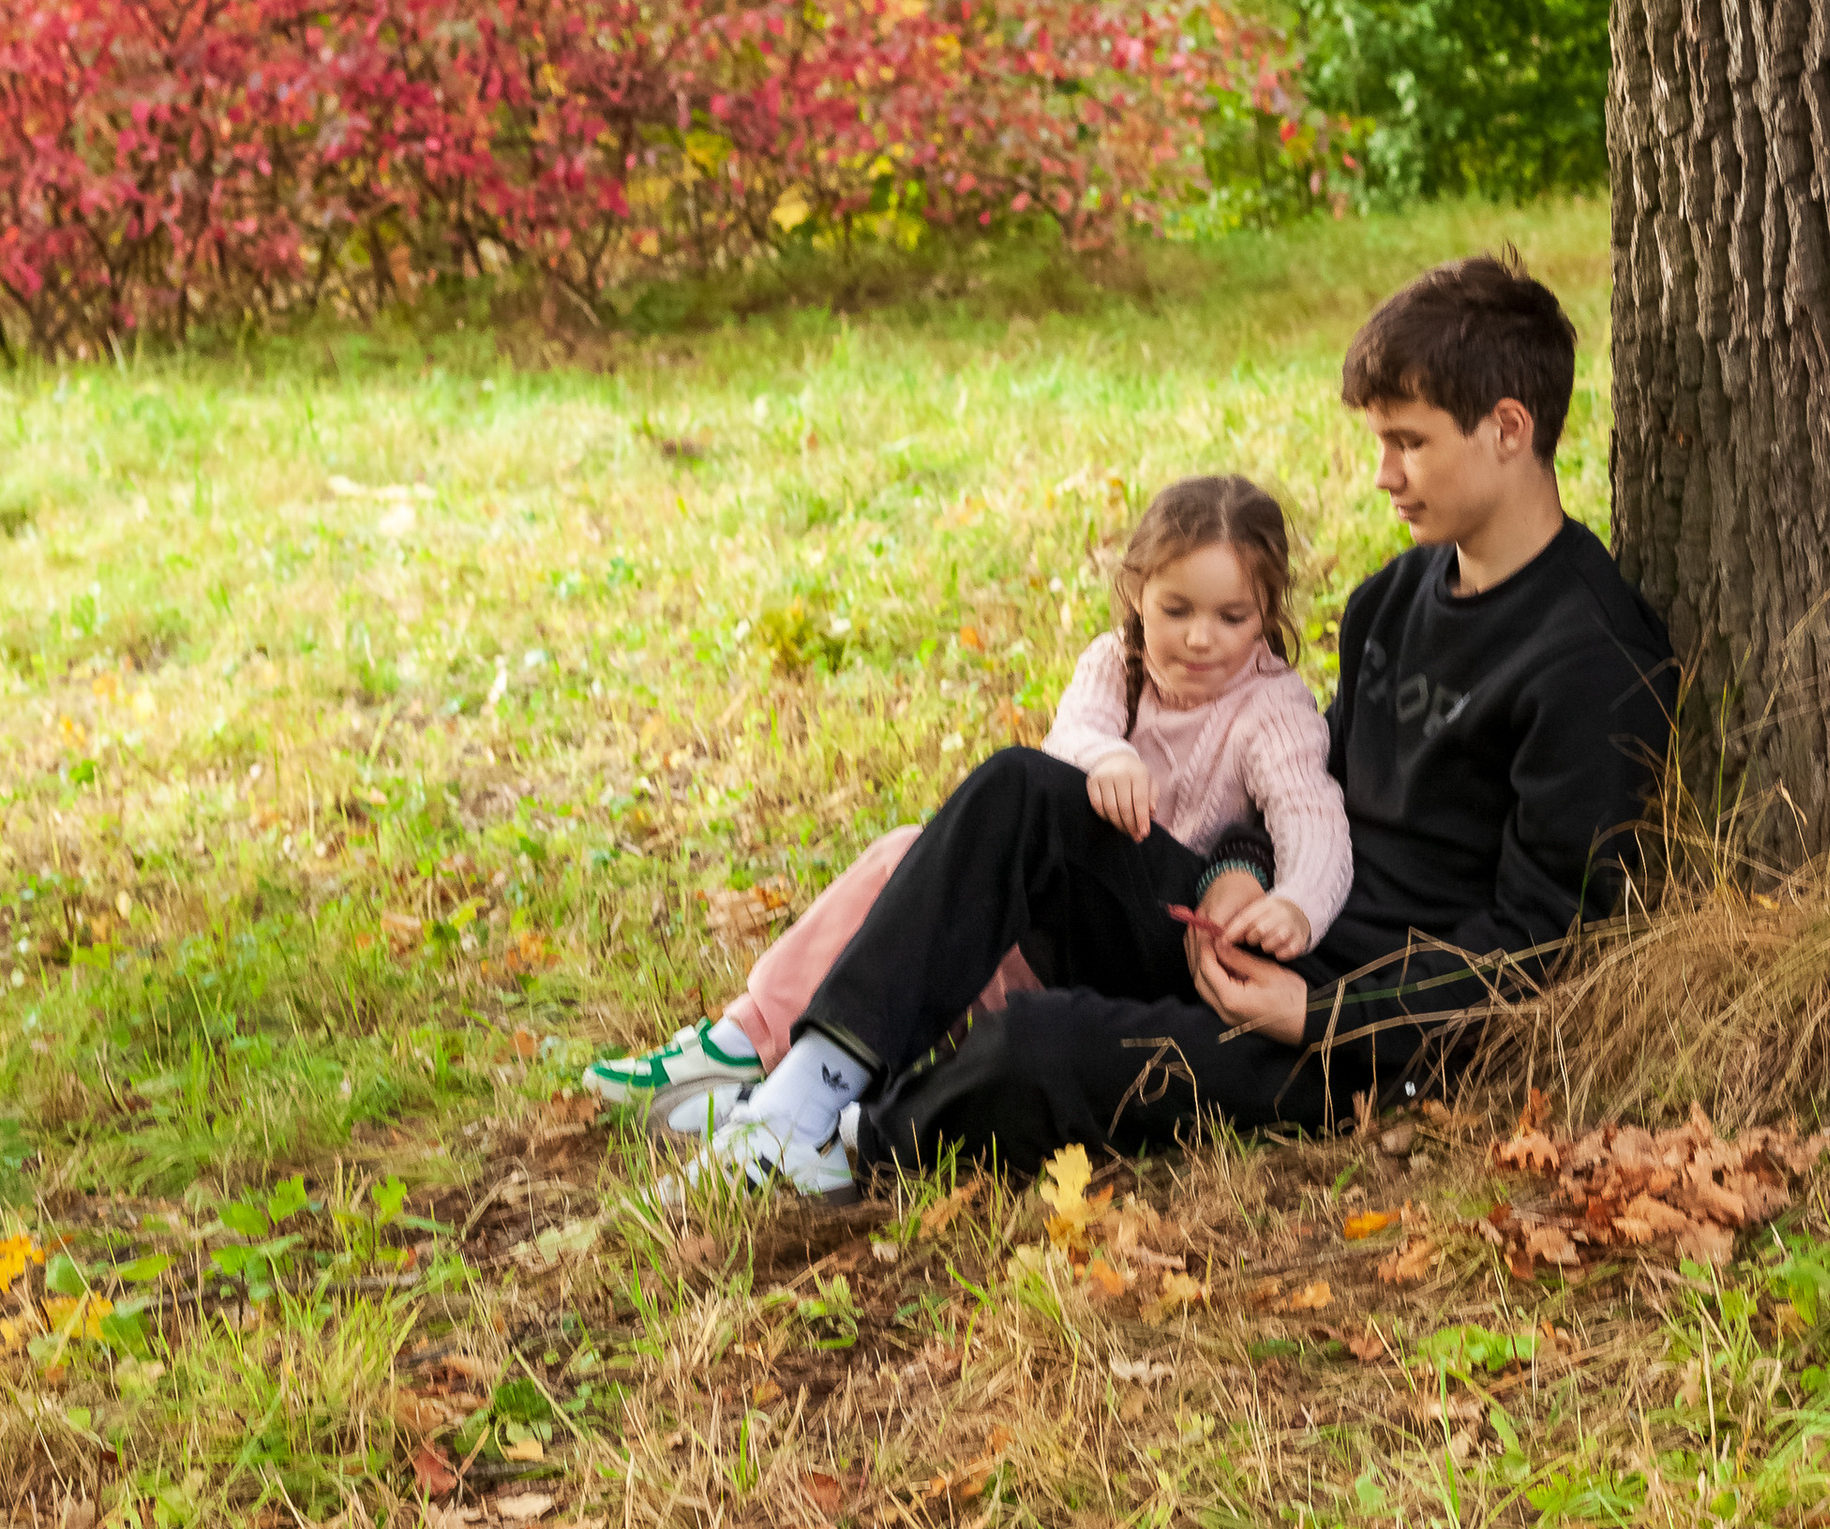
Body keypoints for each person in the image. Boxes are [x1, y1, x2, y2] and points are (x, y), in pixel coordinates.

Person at [639, 254, 1674, 1192]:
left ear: (1507, 429)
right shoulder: (1393, 600)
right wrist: (1238, 873)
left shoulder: (1589, 659)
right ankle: (806, 1086)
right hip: (1268, 930)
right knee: (1022, 789)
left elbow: (1542, 947)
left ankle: (851, 1143)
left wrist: (1316, 1014)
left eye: (1409, 443)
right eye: (1379, 442)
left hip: (1352, 1042)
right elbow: (1304, 784)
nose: (1383, 475)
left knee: (1037, 1047)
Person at [585, 474, 1349, 1155]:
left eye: (1231, 617)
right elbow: (1068, 748)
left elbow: (1311, 818)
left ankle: (778, 1069)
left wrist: (1296, 906)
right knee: (905, 853)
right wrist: (1108, 758)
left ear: (1267, 612)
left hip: (1165, 941)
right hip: (1067, 912)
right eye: (1175, 609)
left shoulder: (1271, 707)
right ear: (1137, 594)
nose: (1199, 637)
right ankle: (752, 1041)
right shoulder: (1116, 664)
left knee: (946, 873)